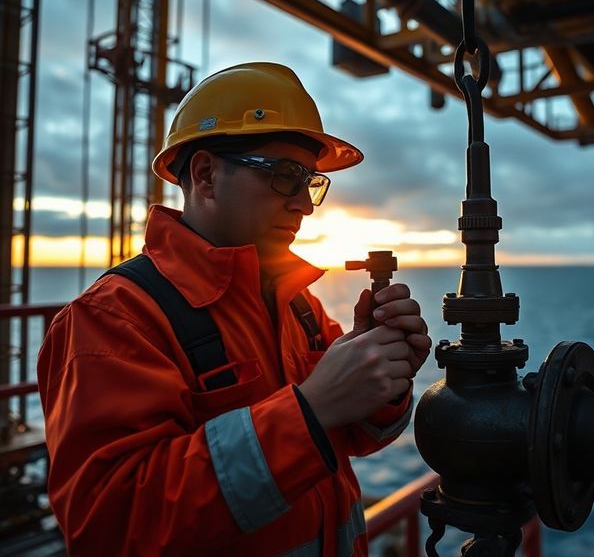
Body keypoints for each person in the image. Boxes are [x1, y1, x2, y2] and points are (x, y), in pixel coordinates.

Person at [37, 62, 432, 555]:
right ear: (205, 174)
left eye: (310, 182)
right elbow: (109, 528)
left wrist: (382, 376)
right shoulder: (111, 320)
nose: (305, 206)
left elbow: (356, 435)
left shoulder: (298, 304)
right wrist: (309, 410)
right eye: (287, 176)